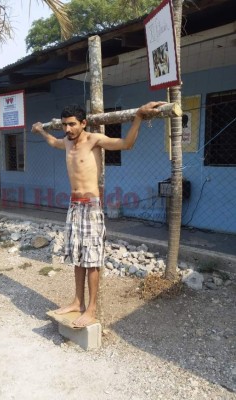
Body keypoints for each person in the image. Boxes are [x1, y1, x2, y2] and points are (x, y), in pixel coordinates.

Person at [32, 101, 165, 327]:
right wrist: (41, 130)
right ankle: (77, 302)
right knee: (76, 256)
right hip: (74, 206)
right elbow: (54, 142)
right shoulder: (66, 142)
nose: (67, 129)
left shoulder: (94, 140)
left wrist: (139, 116)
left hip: (91, 207)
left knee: (92, 260)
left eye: (72, 124)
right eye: (65, 125)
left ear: (83, 123)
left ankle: (91, 309)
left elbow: (127, 144)